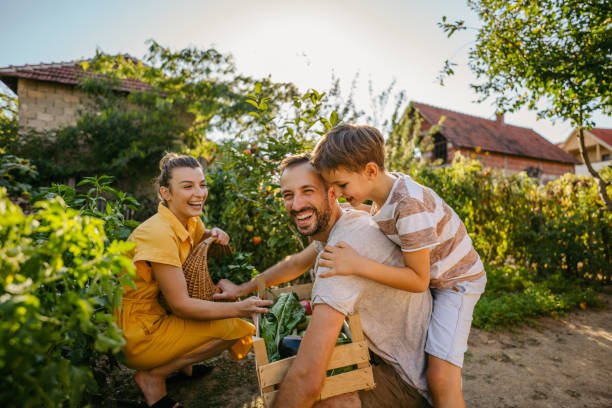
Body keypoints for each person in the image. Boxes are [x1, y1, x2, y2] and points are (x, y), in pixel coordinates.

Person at [215, 154, 433, 407]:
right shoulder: (340, 223)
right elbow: (295, 263)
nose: (296, 204)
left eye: (308, 191)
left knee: (307, 393)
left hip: (404, 380)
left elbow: (307, 379)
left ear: (332, 192)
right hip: (395, 357)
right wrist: (241, 289)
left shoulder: (340, 254)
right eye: (288, 195)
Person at [310, 124, 487, 408]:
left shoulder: (408, 204)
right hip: (437, 278)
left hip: (457, 282)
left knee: (441, 376)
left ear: (370, 171)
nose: (340, 194)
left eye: (342, 185)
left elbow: (418, 280)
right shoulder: (383, 198)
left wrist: (357, 264)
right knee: (433, 362)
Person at [116, 153, 272, 408]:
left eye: (202, 184)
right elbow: (181, 305)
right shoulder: (157, 234)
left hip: (157, 313)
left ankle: (184, 366)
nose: (199, 193)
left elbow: (198, 237)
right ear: (166, 193)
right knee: (236, 327)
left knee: (213, 316)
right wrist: (239, 308)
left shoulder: (188, 220)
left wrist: (213, 233)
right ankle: (153, 377)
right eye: (187, 186)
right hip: (138, 333)